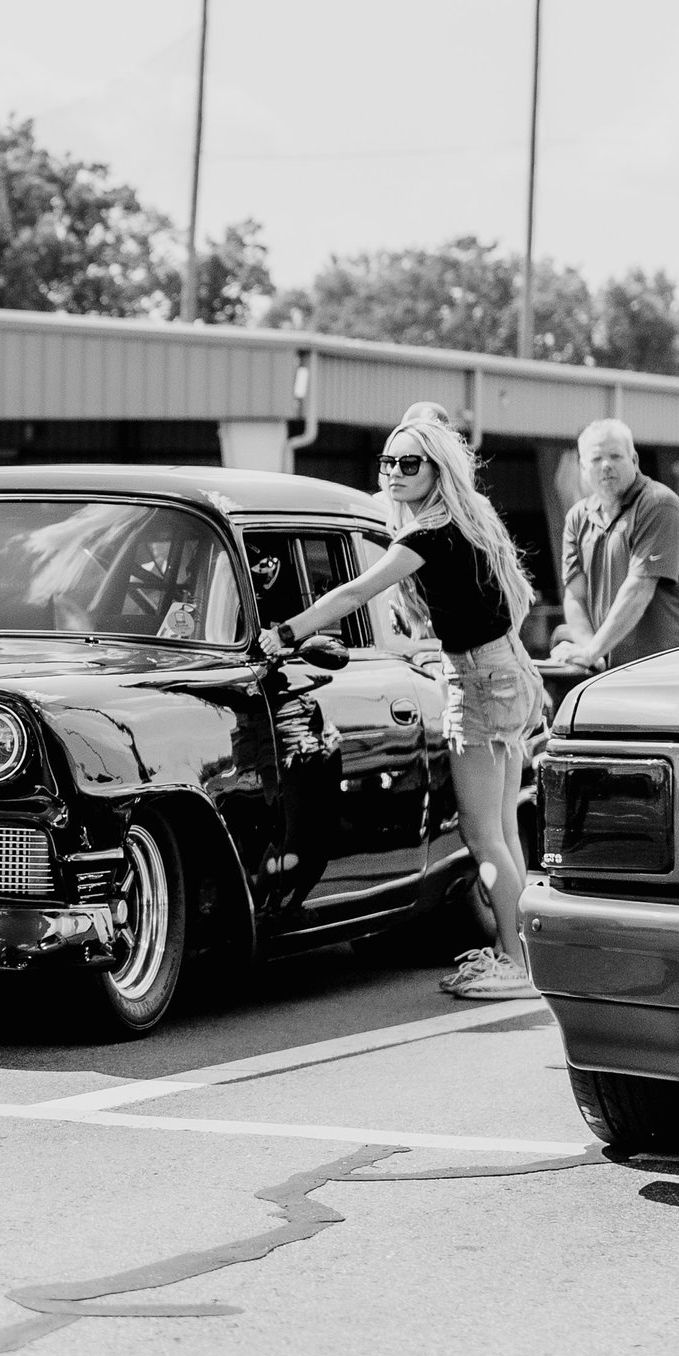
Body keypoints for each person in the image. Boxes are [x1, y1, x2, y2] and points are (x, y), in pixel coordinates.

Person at [258, 415, 546, 1000]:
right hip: (508, 670)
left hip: (481, 682)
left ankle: (513, 962)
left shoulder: (428, 534)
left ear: (436, 470)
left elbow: (353, 592)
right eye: (387, 462)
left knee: (481, 834)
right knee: (504, 831)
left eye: (408, 464)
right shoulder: (469, 517)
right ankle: (522, 954)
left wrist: (286, 632)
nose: (393, 473)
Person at [555, 420, 679, 670]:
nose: (606, 465)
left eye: (615, 456)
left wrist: (592, 651)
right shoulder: (578, 517)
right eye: (596, 459)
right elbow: (575, 596)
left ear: (634, 459)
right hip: (611, 673)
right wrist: (593, 653)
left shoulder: (658, 505)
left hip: (667, 669)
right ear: (582, 467)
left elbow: (639, 590)